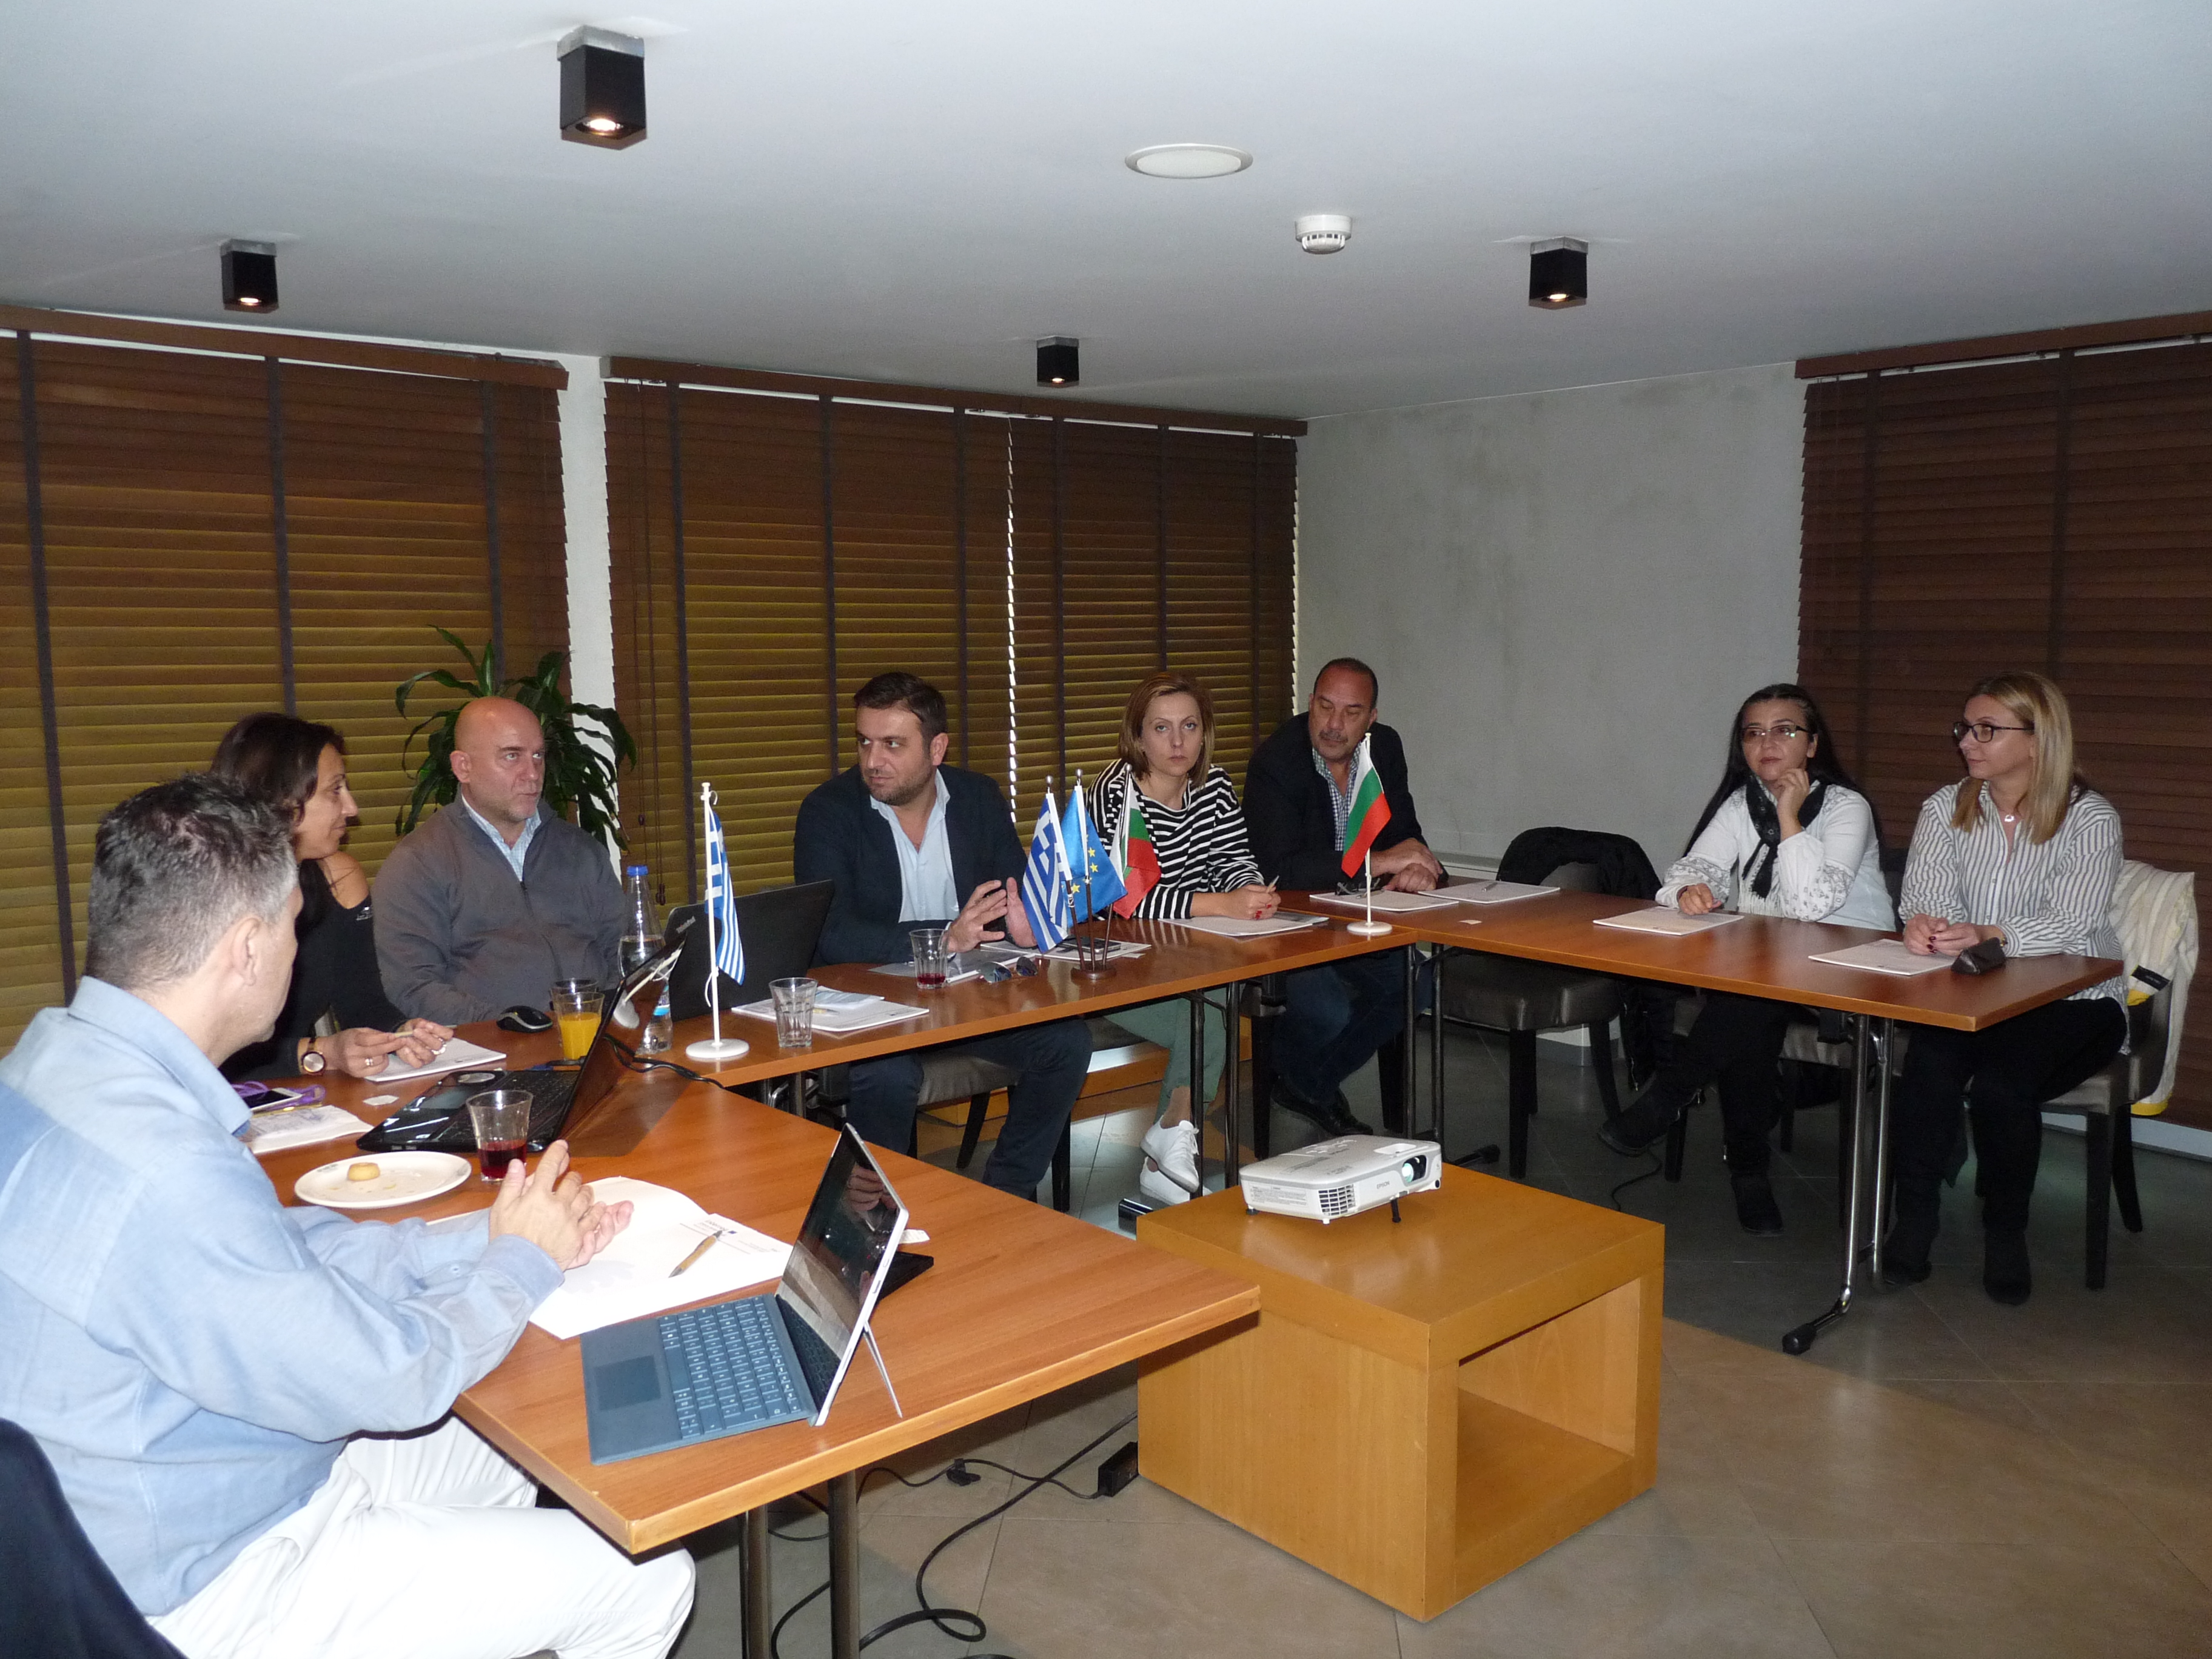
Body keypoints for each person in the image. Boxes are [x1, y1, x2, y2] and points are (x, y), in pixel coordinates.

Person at [0, 774, 690, 1659]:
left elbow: (274, 1252)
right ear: (248, 947)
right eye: (294, 924)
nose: (299, 949)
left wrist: (491, 1232)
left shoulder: (49, 1070)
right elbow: (395, 1378)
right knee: (648, 1578)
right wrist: (520, 1264)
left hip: (178, 1466)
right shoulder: (166, 1169)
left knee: (522, 1442)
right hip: (205, 1578)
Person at [1595, 684, 1896, 1233]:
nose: (1767, 743)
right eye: (1754, 733)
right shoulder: (1741, 805)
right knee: (1748, 1011)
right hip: (1772, 973)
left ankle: (1674, 1102)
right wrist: (1689, 891)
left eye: (1785, 730)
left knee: (1745, 1004)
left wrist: (1789, 817)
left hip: (1854, 975)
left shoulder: (1845, 808)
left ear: (1812, 745)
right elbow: (1689, 870)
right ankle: (1746, 1168)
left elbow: (1810, 907)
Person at [793, 672, 1090, 1197]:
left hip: (965, 999)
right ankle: (878, 1217)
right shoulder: (829, 812)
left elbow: (1012, 896)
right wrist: (942, 939)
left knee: (1066, 1043)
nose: (873, 760)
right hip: (877, 1005)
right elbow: (831, 934)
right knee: (886, 1075)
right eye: (864, 742)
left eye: (892, 744)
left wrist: (1027, 925)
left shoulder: (977, 797)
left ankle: (1006, 1196)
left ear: (936, 748)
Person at [1885, 671, 2126, 1305]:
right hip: (1974, 994)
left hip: (2075, 1000)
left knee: (2001, 1087)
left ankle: (2005, 1232)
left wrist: (1990, 932)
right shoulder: (1946, 806)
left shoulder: (2089, 818)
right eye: (1965, 728)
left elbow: (2072, 924)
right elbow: (1925, 896)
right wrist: (1925, 925)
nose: (1967, 741)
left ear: (2038, 739)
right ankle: (1914, 1221)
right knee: (1930, 1065)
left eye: (1986, 729)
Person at [1090, 672, 1276, 1206]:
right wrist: (1220, 905)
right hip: (1114, 962)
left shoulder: (1213, 786)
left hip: (1186, 954)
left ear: (1204, 732)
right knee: (1211, 1014)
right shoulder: (1116, 791)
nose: (1178, 742)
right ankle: (1168, 1148)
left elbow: (1232, 858)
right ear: (1137, 736)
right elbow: (1122, 901)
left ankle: (1166, 1149)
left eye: (1189, 727)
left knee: (1213, 996)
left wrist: (1249, 891)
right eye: (1162, 728)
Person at [1242, 657, 1442, 1136]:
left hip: (1360, 914)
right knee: (1327, 1009)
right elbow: (1281, 869)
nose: (1334, 725)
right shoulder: (1276, 763)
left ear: (1371, 718)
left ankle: (1305, 1084)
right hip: (1290, 922)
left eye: (1351, 713)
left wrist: (1418, 866)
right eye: (1325, 707)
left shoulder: (1385, 748)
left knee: (1419, 981)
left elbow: (1404, 830)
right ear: (1309, 703)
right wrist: (1380, 861)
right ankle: (1307, 1082)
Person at [210, 712, 452, 1081]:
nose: (352, 809)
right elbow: (204, 1050)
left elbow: (363, 1004)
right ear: (281, 800)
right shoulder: (205, 898)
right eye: (335, 790)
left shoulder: (338, 878)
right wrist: (320, 1052)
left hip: (299, 1099)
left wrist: (400, 1034)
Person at [375, 695, 626, 1024]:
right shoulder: (419, 863)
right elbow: (413, 986)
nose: (532, 774)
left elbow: (623, 951)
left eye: (538, 756)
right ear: (463, 767)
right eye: (512, 756)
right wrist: (510, 1024)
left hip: (596, 1036)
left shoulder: (580, 850)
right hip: (490, 1046)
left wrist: (613, 1014)